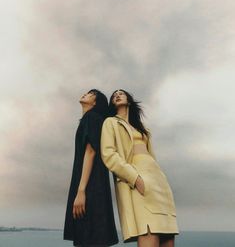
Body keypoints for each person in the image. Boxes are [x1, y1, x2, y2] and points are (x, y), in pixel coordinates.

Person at [100, 89, 179, 247]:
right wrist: (135, 178)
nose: (117, 95)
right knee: (148, 231)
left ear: (129, 100)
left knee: (168, 237)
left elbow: (152, 156)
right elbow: (108, 154)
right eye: (114, 95)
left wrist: (161, 178)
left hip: (158, 182)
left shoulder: (143, 129)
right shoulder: (110, 122)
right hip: (137, 180)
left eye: (121, 93)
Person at [63, 89, 118, 247]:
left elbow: (91, 151)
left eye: (91, 93)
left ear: (95, 102)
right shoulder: (92, 119)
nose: (85, 93)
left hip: (90, 188)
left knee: (89, 237)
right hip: (94, 187)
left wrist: (81, 192)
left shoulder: (92, 118)